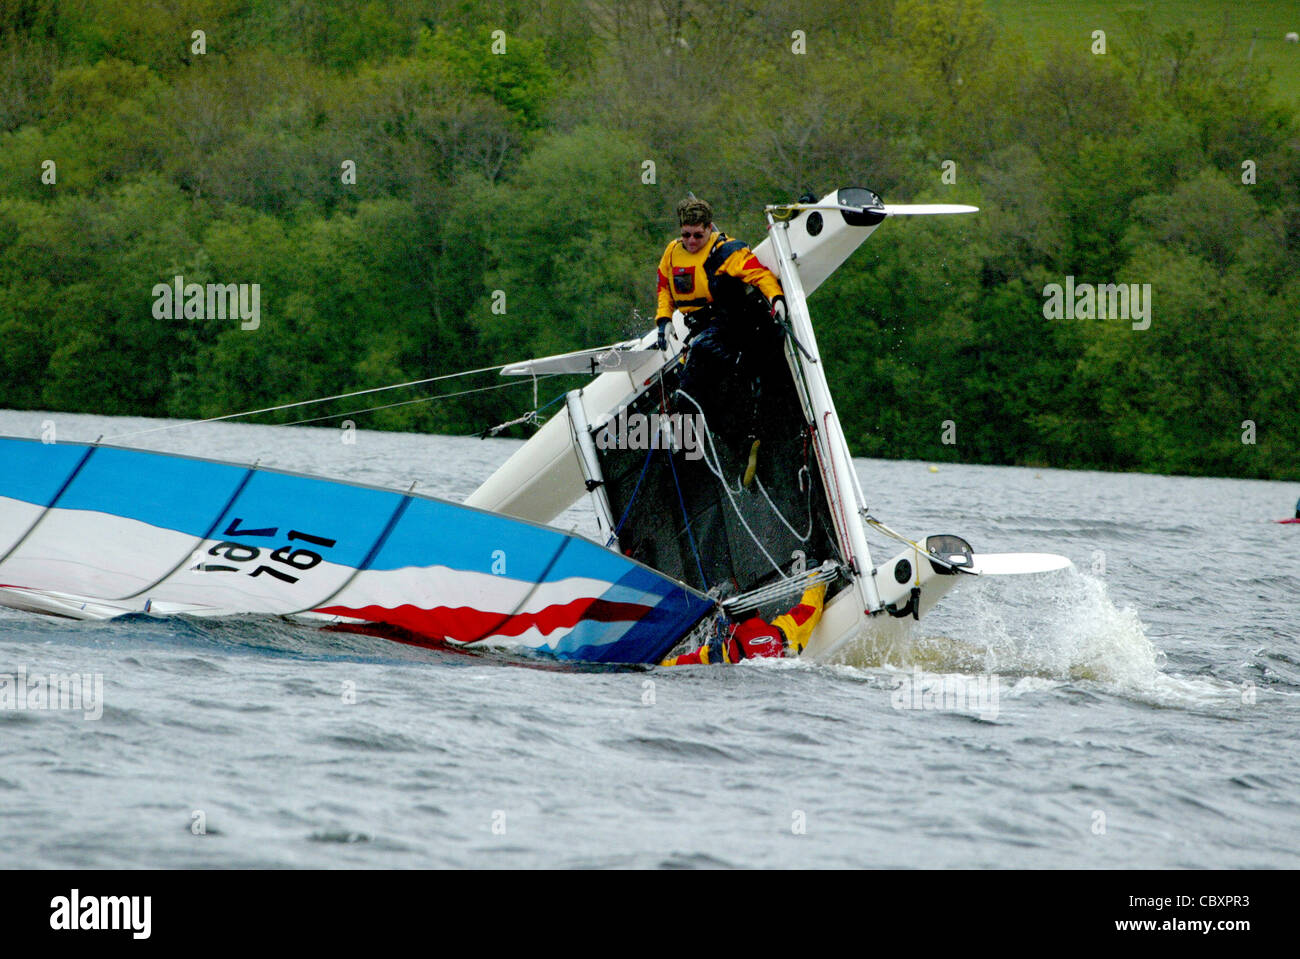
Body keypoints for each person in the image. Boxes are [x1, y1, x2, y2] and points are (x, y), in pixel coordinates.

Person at [652, 196, 788, 483]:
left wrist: (776, 299)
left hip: (725, 328)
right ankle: (736, 448)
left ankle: (744, 440)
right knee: (691, 400)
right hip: (695, 329)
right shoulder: (672, 253)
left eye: (697, 235)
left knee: (694, 381)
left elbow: (759, 275)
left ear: (709, 228)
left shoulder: (727, 251)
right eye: (685, 235)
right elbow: (664, 288)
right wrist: (663, 320)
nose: (690, 241)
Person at [660, 581, 826, 666]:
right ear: (758, 612)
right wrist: (815, 577)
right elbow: (810, 608)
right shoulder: (785, 629)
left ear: (730, 622)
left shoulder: (724, 649)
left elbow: (677, 665)